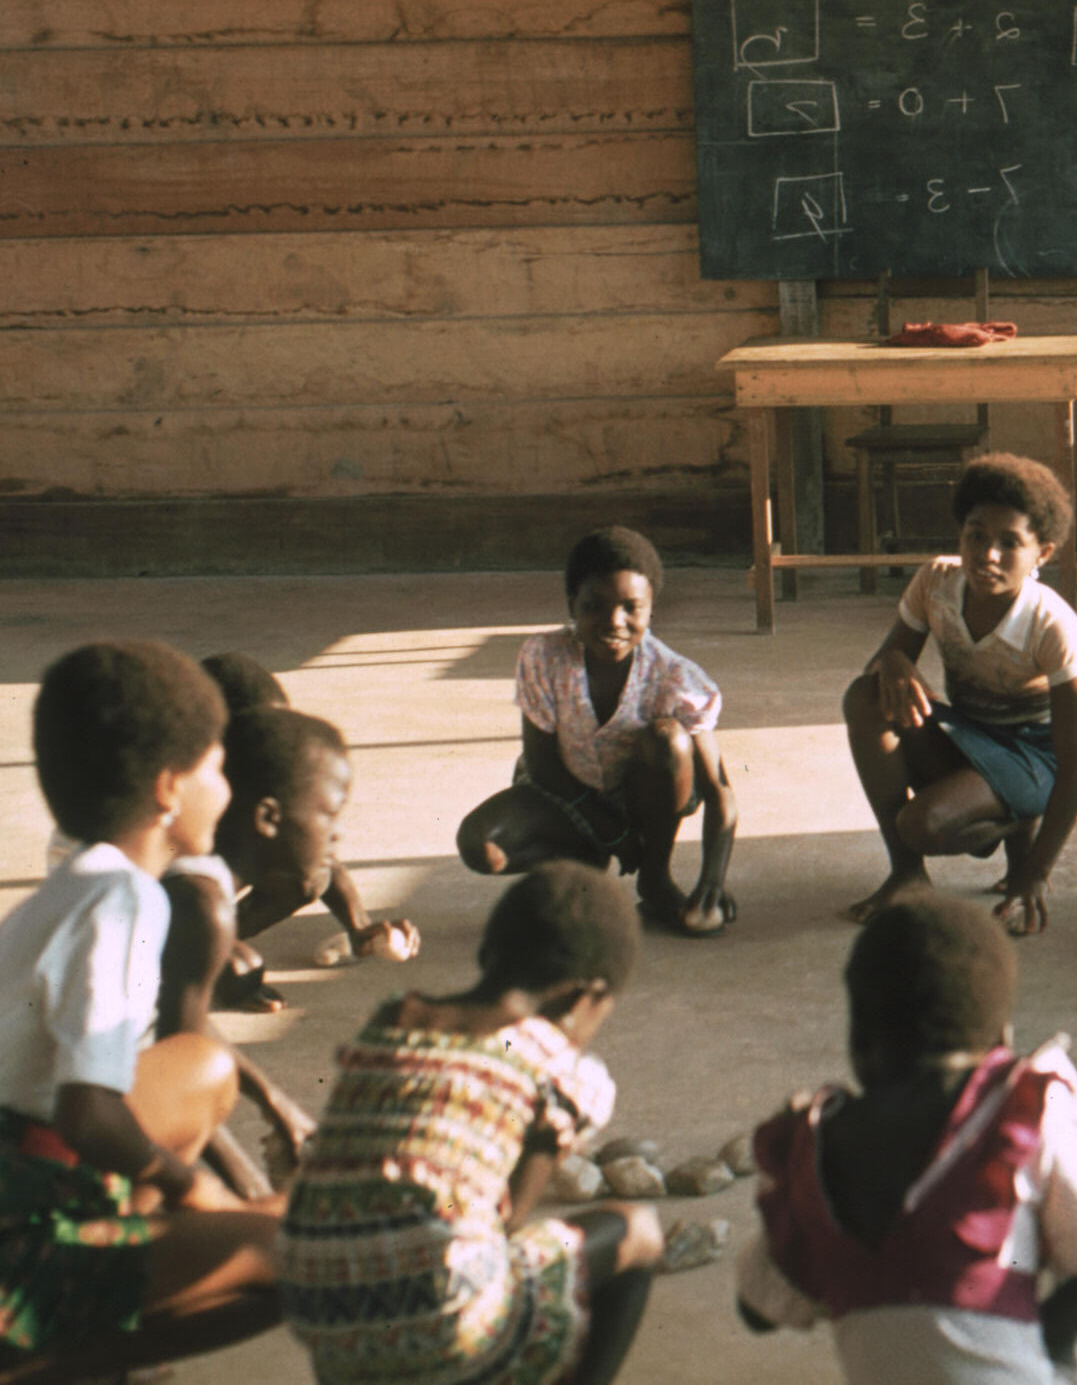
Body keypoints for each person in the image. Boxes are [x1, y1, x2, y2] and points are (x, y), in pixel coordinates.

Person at [737, 895, 1077, 1385]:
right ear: (1002, 1040)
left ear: (858, 1042)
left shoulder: (812, 1145)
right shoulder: (1026, 1109)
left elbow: (757, 1309)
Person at [0, 641, 284, 1383]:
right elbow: (89, 1114)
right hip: (17, 1230)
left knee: (201, 1065)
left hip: (23, 1162)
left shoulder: (77, 883)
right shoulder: (122, 899)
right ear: (168, 789)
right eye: (216, 767)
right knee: (288, 1253)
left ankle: (101, 1284)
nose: (225, 787)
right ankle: (46, 1360)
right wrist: (199, 1191)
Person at [277, 863, 661, 1385]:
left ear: (485, 954)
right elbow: (507, 1223)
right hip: (449, 1330)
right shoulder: (554, 1067)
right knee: (637, 1231)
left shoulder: (394, 1018)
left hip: (320, 1313)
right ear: (583, 997)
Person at [841, 453, 1077, 936]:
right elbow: (884, 664)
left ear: (1042, 553)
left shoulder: (1052, 624)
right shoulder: (936, 582)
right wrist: (893, 661)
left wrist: (1035, 872)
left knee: (922, 824)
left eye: (1009, 542)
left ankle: (1019, 823)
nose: (987, 555)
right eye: (976, 536)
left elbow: (1076, 766)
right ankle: (907, 875)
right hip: (969, 736)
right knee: (864, 697)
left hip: (1032, 759)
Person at [455, 525, 740, 937]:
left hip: (646, 800)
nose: (614, 621)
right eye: (594, 606)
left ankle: (655, 878)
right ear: (572, 604)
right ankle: (583, 862)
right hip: (563, 792)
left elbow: (719, 791)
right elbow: (542, 763)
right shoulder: (544, 656)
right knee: (478, 845)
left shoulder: (676, 677)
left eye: (631, 607)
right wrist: (612, 835)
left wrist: (712, 879)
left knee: (669, 740)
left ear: (651, 610)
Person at [199, 705, 419, 1017]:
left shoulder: (246, 837)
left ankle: (218, 937)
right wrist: (210, 962)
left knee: (310, 878)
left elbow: (325, 866)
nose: (339, 832)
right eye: (329, 815)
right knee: (231, 963)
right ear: (268, 817)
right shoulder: (187, 872)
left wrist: (359, 927)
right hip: (178, 915)